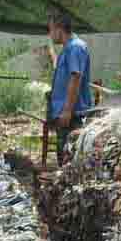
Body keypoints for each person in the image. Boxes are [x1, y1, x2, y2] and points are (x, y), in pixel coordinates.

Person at [48, 14, 93, 166]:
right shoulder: (68, 49)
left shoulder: (75, 47)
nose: (50, 34)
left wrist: (67, 110)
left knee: (70, 158)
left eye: (51, 29)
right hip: (64, 113)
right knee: (63, 155)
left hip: (72, 114)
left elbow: (75, 78)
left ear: (59, 29)